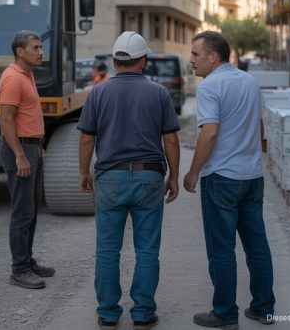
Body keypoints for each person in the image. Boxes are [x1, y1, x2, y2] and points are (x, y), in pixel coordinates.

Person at [78, 31, 181, 330]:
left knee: (108, 249)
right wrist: (173, 175)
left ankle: (109, 314)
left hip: (111, 178)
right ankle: (143, 313)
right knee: (147, 249)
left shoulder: (98, 92)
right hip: (150, 176)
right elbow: (171, 140)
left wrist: (84, 171)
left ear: (114, 61)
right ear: (143, 60)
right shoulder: (158, 93)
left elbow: (87, 139)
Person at [183, 31, 275, 329]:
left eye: (196, 54)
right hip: (252, 176)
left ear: (213, 57)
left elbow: (209, 133)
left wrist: (193, 171)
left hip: (221, 177)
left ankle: (224, 313)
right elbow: (259, 126)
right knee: (256, 244)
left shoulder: (210, 86)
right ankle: (263, 308)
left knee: (221, 248)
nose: (191, 60)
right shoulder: (249, 81)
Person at [0, 30, 55, 289]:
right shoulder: (12, 78)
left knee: (31, 211)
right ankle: (19, 269)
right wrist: (21, 154)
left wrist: (38, 146)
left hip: (31, 147)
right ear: (20, 51)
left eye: (41, 47)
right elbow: (6, 120)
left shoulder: (27, 75)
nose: (41, 52)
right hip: (19, 149)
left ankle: (27, 261)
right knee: (22, 213)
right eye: (35, 47)